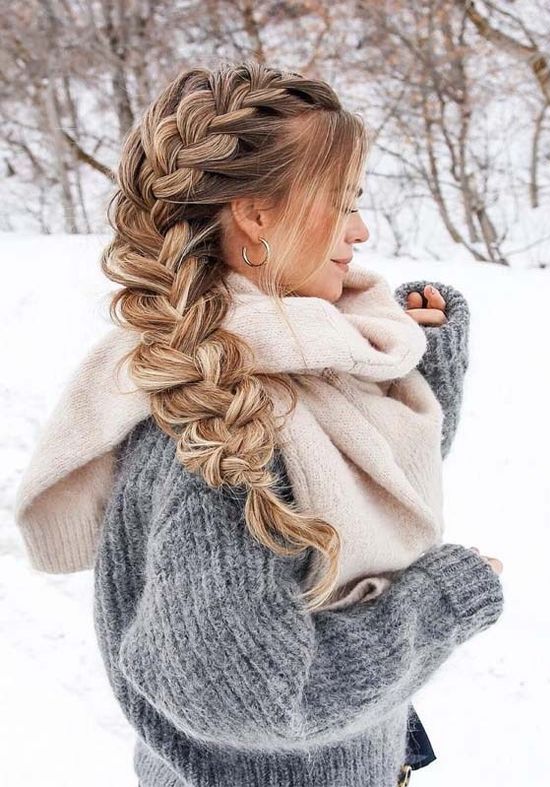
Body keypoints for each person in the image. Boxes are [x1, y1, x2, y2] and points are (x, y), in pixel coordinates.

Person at [15, 59, 504, 786]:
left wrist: (419, 368)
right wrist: (443, 600)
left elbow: (359, 498)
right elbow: (253, 694)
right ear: (254, 213)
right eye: (340, 203)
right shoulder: (214, 424)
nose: (360, 229)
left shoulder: (280, 358)